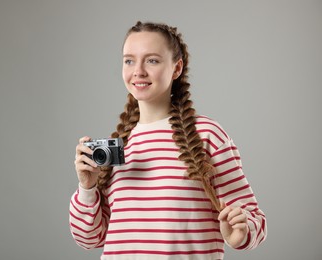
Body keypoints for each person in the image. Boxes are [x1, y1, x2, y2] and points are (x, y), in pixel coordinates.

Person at [69, 21, 267, 259]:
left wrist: (241, 233)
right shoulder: (116, 148)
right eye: (129, 60)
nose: (138, 71)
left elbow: (253, 218)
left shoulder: (206, 135)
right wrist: (87, 188)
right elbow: (89, 238)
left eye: (152, 60)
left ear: (176, 68)